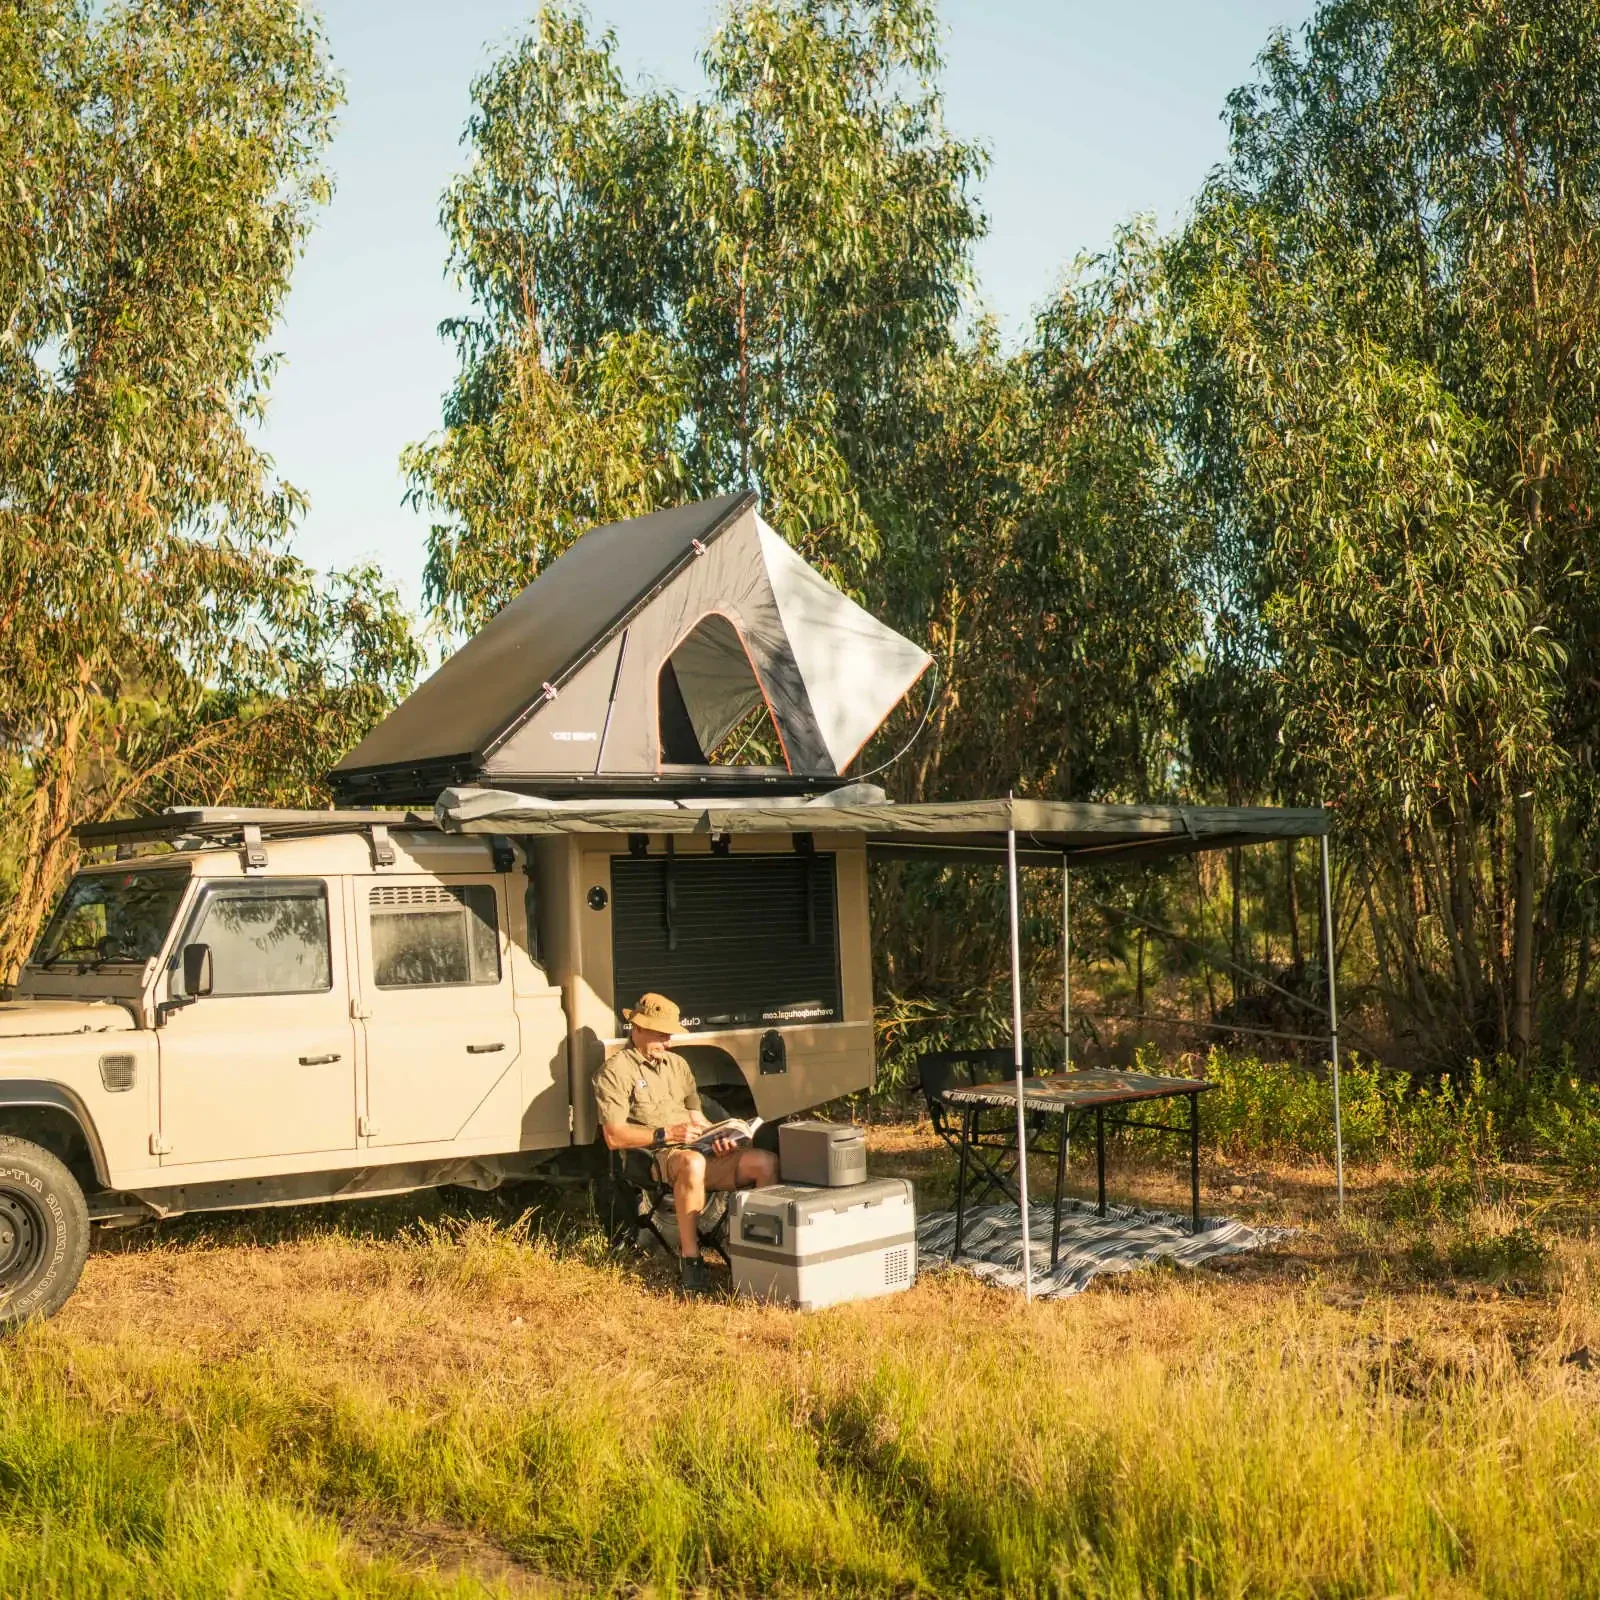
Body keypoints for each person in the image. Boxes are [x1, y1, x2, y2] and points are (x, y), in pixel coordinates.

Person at [594, 991, 778, 1295]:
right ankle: (691, 1259)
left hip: (697, 1147)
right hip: (657, 1155)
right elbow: (614, 1136)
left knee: (765, 1163)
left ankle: (755, 1251)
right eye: (661, 1034)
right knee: (691, 1163)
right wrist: (666, 1134)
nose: (668, 1042)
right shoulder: (615, 1072)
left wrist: (720, 1136)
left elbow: (697, 1117)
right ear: (637, 1029)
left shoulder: (677, 1065)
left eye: (669, 1034)